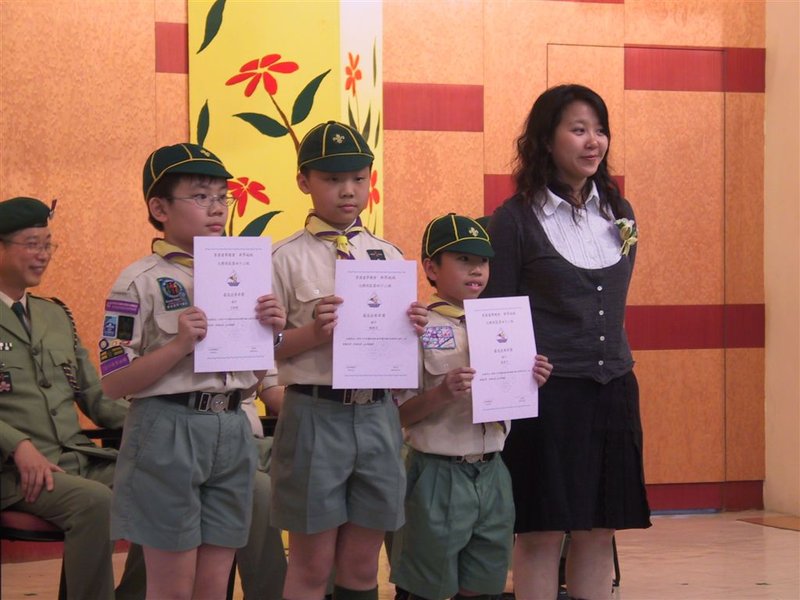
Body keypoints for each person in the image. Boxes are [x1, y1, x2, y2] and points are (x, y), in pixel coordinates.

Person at [483, 84, 651, 600]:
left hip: (613, 387)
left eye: (600, 130)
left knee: (599, 529)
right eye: (578, 129)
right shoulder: (514, 219)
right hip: (546, 396)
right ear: (545, 139)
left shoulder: (618, 211)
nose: (593, 141)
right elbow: (494, 314)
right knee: (541, 532)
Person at [99, 143, 287, 599]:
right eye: (200, 196)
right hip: (169, 429)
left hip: (232, 426)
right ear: (159, 208)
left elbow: (254, 376)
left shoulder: (243, 275)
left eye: (222, 197)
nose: (217, 208)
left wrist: (272, 333)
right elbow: (113, 382)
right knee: (172, 589)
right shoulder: (139, 280)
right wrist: (179, 345)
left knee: (214, 585)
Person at [270, 121, 428, 600]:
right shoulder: (282, 259)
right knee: (312, 566)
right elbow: (261, 349)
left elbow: (402, 354)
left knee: (362, 567)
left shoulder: (389, 256)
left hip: (378, 414)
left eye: (359, 179)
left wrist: (415, 328)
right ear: (304, 181)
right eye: (333, 179)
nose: (348, 191)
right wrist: (312, 333)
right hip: (315, 411)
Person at [389, 213, 552, 600]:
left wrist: (532, 378)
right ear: (432, 268)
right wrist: (442, 394)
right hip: (437, 473)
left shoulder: (504, 325)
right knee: (426, 586)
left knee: (485, 585)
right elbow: (395, 416)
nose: (476, 270)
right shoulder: (415, 327)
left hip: (493, 470)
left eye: (483, 261)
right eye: (463, 259)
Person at [0, 196, 145, 599]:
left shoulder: (54, 315)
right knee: (95, 503)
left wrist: (153, 418)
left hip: (76, 459)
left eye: (48, 245)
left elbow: (96, 395)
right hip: (12, 471)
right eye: (32, 244)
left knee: (162, 483)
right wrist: (18, 445)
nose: (43, 255)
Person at [237, 372, 288, 600]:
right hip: (199, 428)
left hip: (257, 441)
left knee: (321, 465)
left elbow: (272, 391)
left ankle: (328, 590)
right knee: (259, 491)